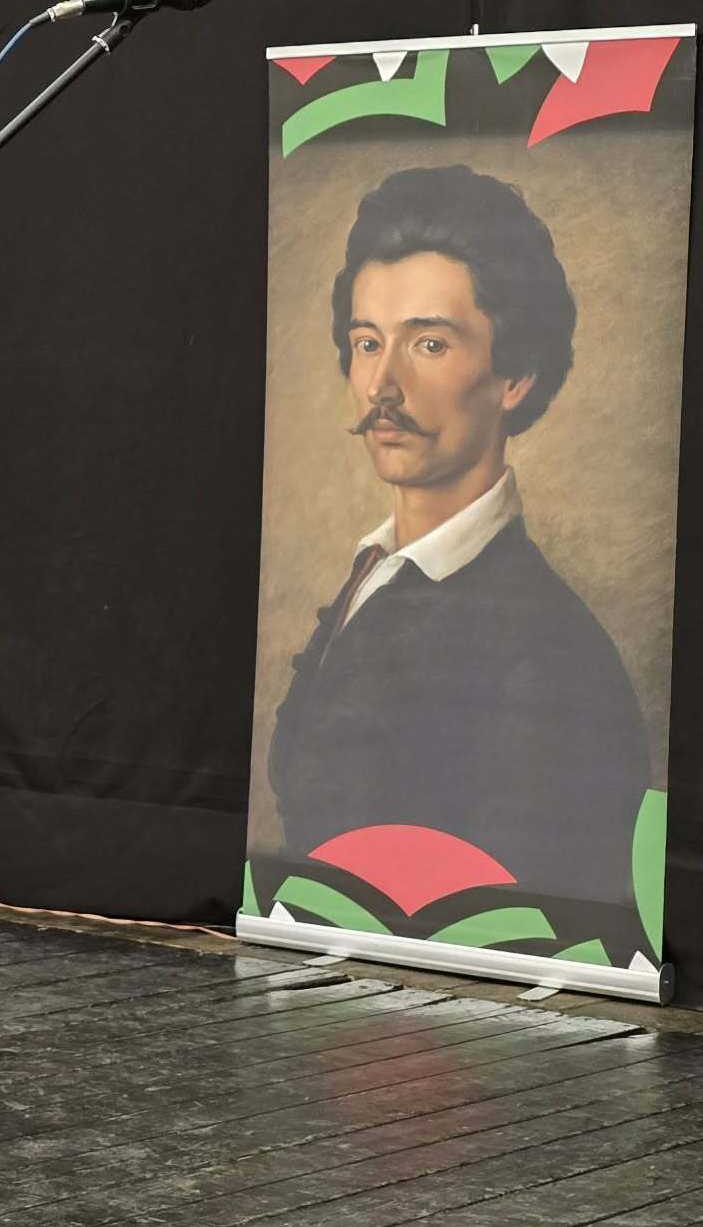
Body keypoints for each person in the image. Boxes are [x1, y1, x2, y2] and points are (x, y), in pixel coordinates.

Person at [268, 164, 648, 919]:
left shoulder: (548, 656)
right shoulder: (374, 572)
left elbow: (527, 920)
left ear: (516, 377)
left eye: (430, 345)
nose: (382, 386)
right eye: (367, 342)